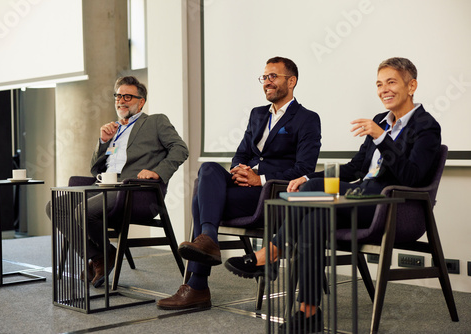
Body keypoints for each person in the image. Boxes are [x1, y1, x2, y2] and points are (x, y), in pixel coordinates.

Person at [225, 57, 441, 333]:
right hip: (362, 196)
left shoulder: (425, 126)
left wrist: (381, 137)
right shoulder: (379, 121)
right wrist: (306, 177)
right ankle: (308, 313)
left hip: (393, 205)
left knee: (313, 194)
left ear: (412, 86)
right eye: (379, 84)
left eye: (391, 82)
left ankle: (271, 252)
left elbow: (413, 177)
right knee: (312, 218)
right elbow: (354, 169)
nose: (383, 89)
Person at [157, 56, 322, 310]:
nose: (267, 82)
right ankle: (208, 242)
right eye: (264, 77)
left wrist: (260, 178)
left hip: (270, 193)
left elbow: (304, 169)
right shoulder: (257, 114)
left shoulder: (307, 119)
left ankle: (198, 283)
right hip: (242, 185)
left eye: (273, 77)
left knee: (201, 200)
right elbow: (241, 153)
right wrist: (238, 169)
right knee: (209, 169)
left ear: (292, 81)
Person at [51, 76, 189, 288]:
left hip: (134, 192)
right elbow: (95, 169)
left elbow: (180, 149)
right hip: (105, 186)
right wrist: (103, 142)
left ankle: (101, 257)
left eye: (127, 96)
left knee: (82, 211)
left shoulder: (155, 121)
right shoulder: (113, 129)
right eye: (118, 96)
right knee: (56, 206)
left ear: (141, 101)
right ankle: (102, 255)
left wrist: (157, 172)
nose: (121, 100)